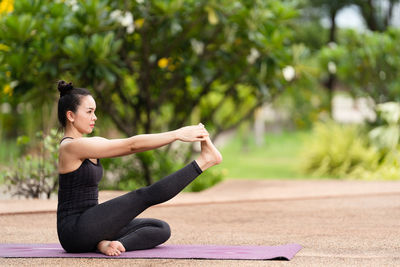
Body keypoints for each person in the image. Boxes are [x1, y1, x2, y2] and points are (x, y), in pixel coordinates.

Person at [56, 80, 222, 256]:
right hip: (74, 231)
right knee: (143, 196)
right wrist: (176, 134)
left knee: (160, 228)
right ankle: (203, 162)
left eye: (94, 112)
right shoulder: (70, 147)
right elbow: (131, 145)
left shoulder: (90, 143)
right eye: (89, 112)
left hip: (93, 223)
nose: (94, 117)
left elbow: (131, 145)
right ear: (71, 116)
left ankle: (106, 244)